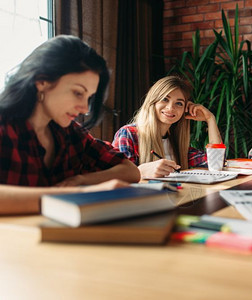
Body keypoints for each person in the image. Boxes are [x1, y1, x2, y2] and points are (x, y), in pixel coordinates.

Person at [0, 35, 141, 215]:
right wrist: (80, 194)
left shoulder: (69, 133)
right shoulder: (5, 127)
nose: (84, 109)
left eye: (89, 97)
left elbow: (130, 171)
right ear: (42, 81)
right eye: (77, 93)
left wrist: (82, 180)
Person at [112, 76, 222, 178]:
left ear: (185, 110)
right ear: (153, 102)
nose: (170, 108)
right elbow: (118, 177)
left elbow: (216, 163)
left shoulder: (175, 142)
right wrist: (141, 172)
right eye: (165, 99)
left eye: (179, 103)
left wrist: (210, 119)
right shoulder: (128, 134)